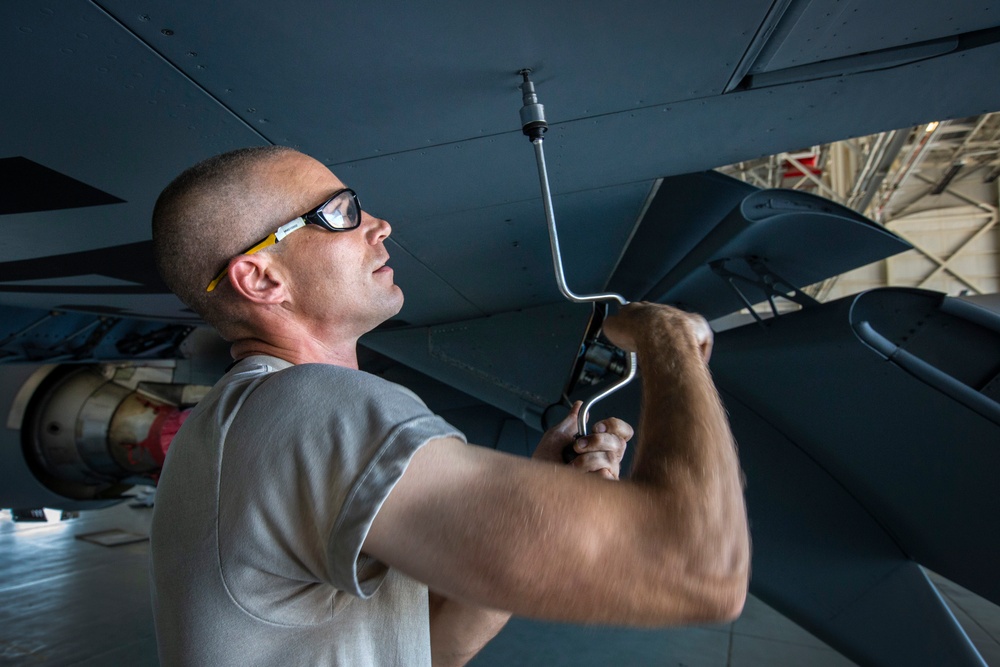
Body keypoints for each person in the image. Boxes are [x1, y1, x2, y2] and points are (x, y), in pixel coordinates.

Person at [149, 145, 749, 667]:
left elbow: (430, 651)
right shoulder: (309, 406)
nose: (380, 225)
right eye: (339, 213)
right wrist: (669, 341)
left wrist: (534, 503)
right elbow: (699, 568)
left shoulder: (242, 421)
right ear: (261, 280)